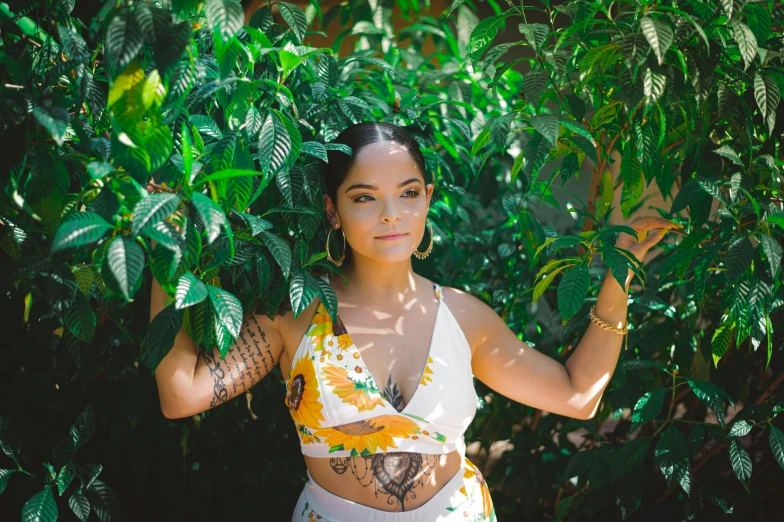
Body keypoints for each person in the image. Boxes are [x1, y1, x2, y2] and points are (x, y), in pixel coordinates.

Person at [150, 121, 680, 521]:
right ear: (333, 211)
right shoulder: (296, 316)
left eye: (407, 193)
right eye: (364, 198)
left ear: (427, 199)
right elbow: (181, 395)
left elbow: (577, 395)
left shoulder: (463, 317)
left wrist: (618, 278)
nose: (390, 214)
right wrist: (162, 247)